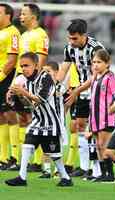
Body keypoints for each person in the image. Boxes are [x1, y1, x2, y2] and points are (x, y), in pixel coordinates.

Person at [5, 52, 72, 187]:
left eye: (26, 66)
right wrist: (17, 98)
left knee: (54, 154)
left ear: (36, 65)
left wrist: (22, 92)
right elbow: (31, 105)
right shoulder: (27, 81)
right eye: (22, 66)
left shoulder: (45, 78)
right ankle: (22, 177)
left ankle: (65, 177)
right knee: (27, 145)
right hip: (37, 121)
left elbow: (41, 99)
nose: (23, 69)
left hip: (51, 122)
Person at [57, 18, 105, 177]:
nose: (71, 41)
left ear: (84, 35)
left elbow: (96, 76)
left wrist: (76, 91)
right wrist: (56, 86)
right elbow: (63, 69)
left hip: (98, 91)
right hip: (82, 91)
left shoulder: (95, 49)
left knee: (95, 129)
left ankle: (97, 167)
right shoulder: (69, 49)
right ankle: (85, 167)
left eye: (75, 38)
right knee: (79, 125)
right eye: (69, 38)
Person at [17, 3, 50, 172]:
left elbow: (41, 59)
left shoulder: (41, 34)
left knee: (34, 119)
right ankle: (22, 159)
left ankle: (37, 162)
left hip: (31, 81)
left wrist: (32, 81)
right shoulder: (24, 35)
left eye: (23, 14)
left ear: (33, 17)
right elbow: (20, 62)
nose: (20, 16)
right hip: (21, 79)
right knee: (23, 119)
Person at [89, 49, 115, 182]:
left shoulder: (110, 78)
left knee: (104, 146)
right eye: (94, 62)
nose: (95, 65)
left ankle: (110, 174)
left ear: (107, 63)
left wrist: (112, 110)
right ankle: (103, 173)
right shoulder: (95, 78)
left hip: (106, 117)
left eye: (99, 62)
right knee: (98, 146)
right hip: (95, 118)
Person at [0, 3, 21, 170]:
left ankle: (15, 157)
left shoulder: (13, 33)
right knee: (1, 116)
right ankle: (3, 157)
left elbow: (11, 60)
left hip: (5, 78)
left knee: (10, 114)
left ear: (8, 15)